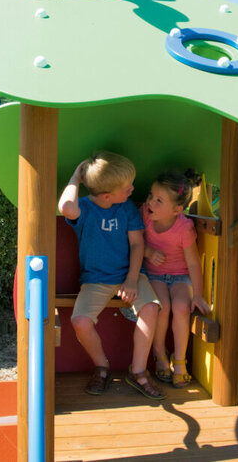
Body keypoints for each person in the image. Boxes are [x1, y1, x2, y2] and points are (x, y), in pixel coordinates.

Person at [57, 151, 164, 400]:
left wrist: (131, 279)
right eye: (127, 188)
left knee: (150, 308)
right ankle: (102, 366)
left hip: (130, 275)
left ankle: (137, 371)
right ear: (107, 196)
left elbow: (137, 245)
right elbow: (66, 207)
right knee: (80, 322)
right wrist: (76, 177)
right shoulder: (84, 208)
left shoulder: (126, 208)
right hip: (96, 280)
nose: (132, 190)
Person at [141, 170, 211, 388]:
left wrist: (198, 295)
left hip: (180, 276)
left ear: (177, 210)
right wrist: (148, 252)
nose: (151, 202)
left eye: (159, 200)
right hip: (154, 274)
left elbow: (192, 263)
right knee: (162, 306)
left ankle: (179, 361)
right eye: (151, 195)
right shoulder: (144, 214)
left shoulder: (184, 227)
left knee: (181, 307)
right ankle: (159, 352)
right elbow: (132, 240)